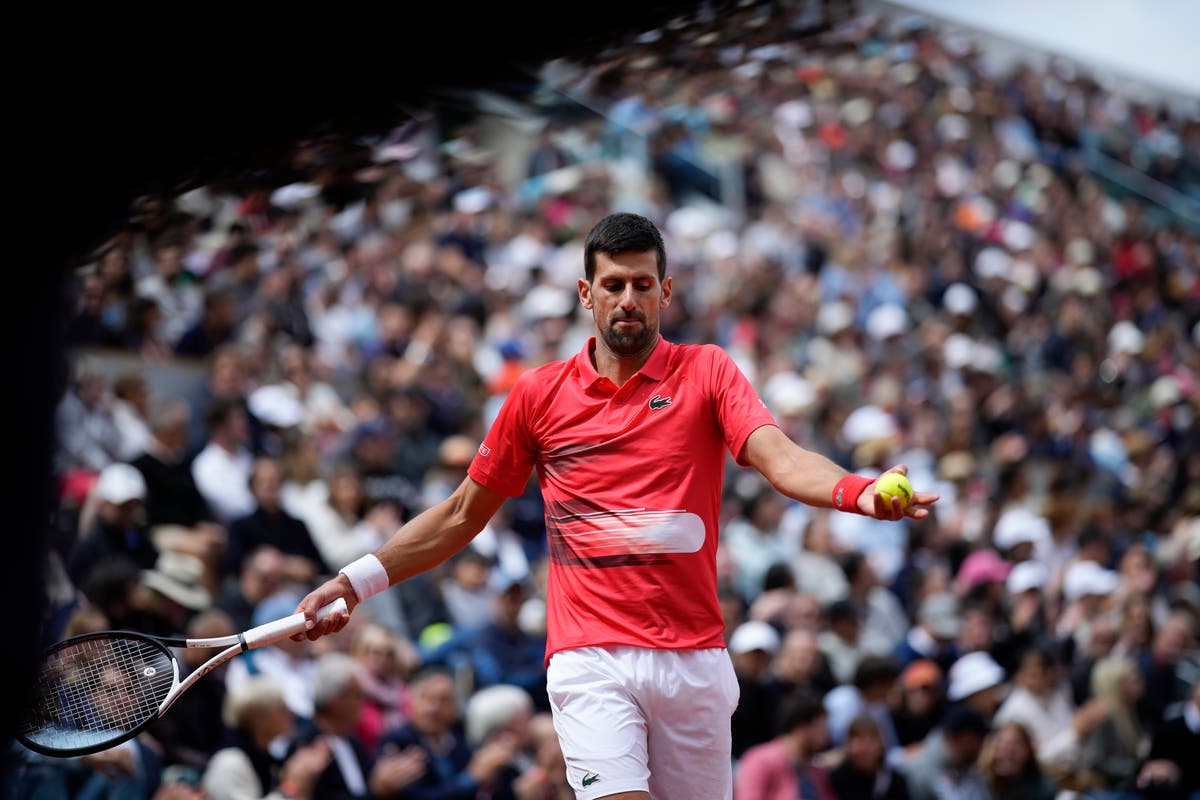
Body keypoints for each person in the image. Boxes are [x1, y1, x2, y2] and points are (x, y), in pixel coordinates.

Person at [293, 212, 937, 800]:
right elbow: (462, 513)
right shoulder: (537, 395)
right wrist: (353, 581)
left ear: (665, 291)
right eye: (612, 285)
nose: (627, 299)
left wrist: (860, 492)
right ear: (586, 293)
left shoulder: (709, 371)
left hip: (695, 659)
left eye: (641, 284)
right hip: (589, 656)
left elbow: (782, 459)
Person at [733, 689, 836, 800]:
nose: (826, 735)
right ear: (801, 727)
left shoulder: (816, 772)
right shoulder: (760, 761)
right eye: (821, 727)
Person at [829, 715, 910, 800]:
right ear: (848, 745)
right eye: (859, 741)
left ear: (880, 745)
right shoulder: (837, 779)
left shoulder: (894, 781)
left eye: (870, 741)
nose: (864, 749)